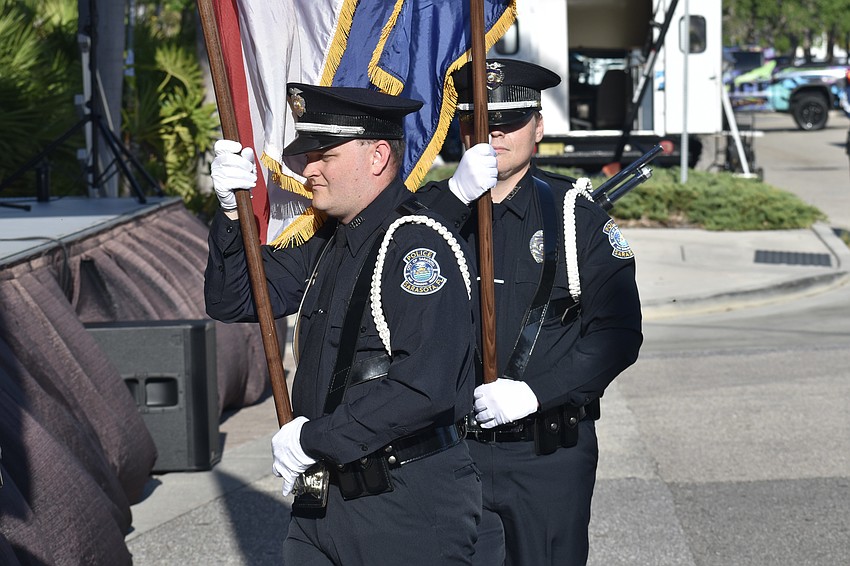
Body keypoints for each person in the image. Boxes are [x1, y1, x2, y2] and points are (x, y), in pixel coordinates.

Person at [204, 84, 497, 565]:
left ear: (378, 155)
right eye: (306, 156)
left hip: (403, 507)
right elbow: (233, 298)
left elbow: (425, 387)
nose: (308, 170)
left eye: (324, 155)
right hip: (322, 503)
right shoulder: (327, 244)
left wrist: (310, 438)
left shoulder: (415, 246)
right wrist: (231, 213)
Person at [417, 59, 644, 565]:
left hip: (547, 455)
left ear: (537, 127)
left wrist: (536, 394)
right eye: (480, 124)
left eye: (509, 123)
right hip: (452, 455)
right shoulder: (430, 216)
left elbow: (619, 334)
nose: (494, 135)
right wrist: (456, 199)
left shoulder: (572, 216)